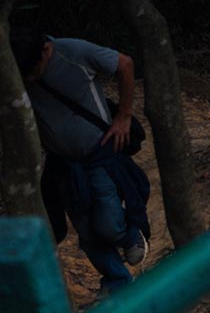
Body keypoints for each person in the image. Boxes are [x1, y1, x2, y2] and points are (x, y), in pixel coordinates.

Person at [10, 29, 151, 297]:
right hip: (63, 164)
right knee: (86, 232)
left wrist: (124, 115)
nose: (28, 79)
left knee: (108, 223)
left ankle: (130, 235)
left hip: (99, 155)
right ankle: (117, 283)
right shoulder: (18, 70)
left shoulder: (72, 52)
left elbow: (125, 63)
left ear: (46, 52)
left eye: (32, 71)